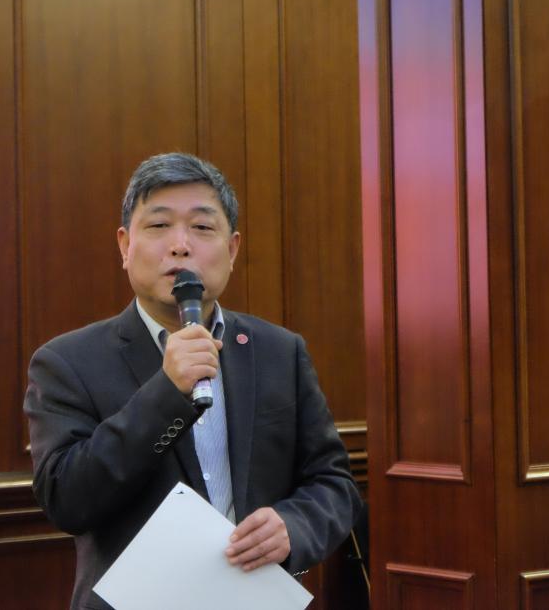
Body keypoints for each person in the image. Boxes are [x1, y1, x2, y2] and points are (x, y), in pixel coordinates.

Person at [24, 153, 362, 609]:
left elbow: (334, 483)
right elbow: (67, 501)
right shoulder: (67, 362)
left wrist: (294, 527)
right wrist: (166, 393)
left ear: (233, 249)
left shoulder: (280, 352)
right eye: (159, 225)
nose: (180, 245)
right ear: (125, 245)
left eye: (202, 227)